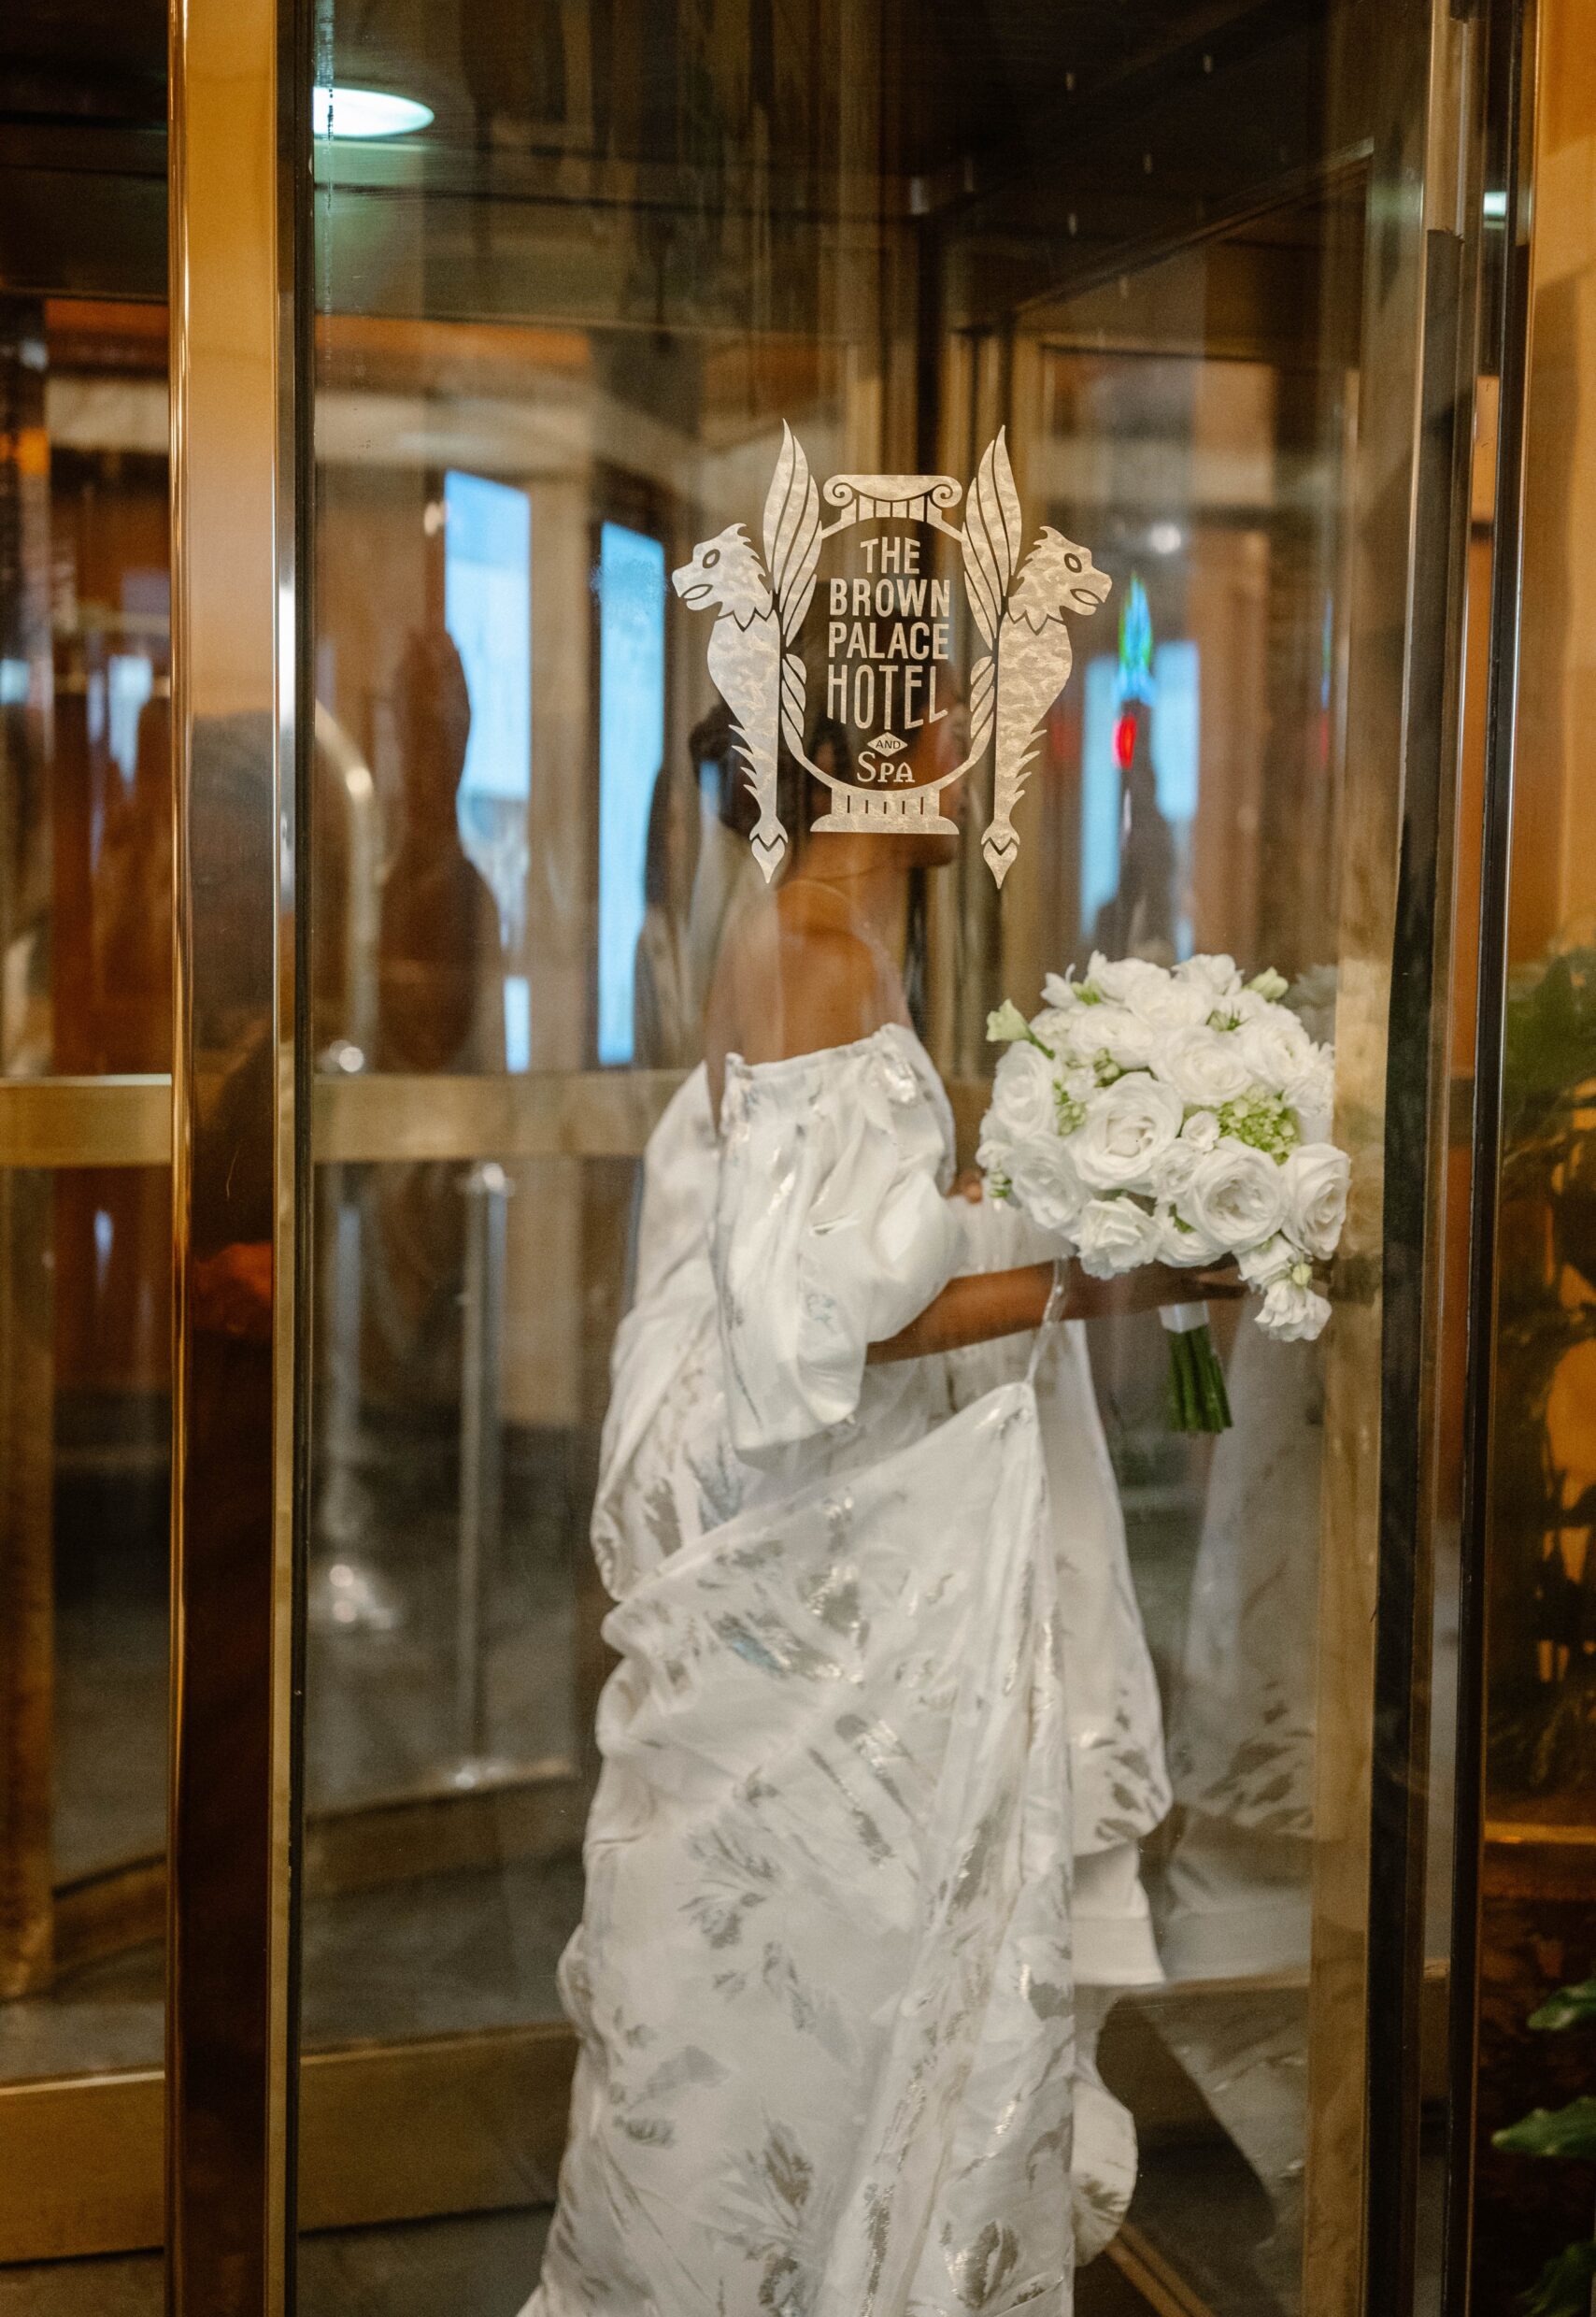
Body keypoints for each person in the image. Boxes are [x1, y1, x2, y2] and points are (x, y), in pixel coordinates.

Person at [525, 698, 1227, 2317]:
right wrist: (1103, 1276)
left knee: (821, 1949)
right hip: (814, 1534)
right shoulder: (821, 948)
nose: (978, 771)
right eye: (947, 737)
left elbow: (836, 1249)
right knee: (845, 1928)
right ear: (880, 765)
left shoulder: (811, 932)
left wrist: (1022, 1214)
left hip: (808, 1502)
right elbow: (830, 1326)